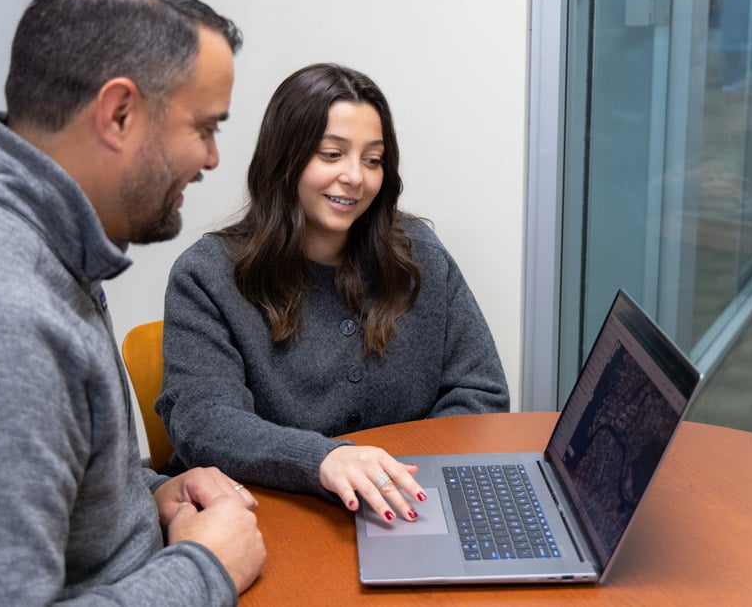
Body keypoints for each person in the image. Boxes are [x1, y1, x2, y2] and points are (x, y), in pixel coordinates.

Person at [0, 0, 265, 604]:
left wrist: (154, 491)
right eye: (205, 127)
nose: (212, 158)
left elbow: (55, 485)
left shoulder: (43, 245)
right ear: (120, 114)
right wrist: (205, 568)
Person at [156, 63, 510, 526]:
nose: (355, 178)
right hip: (263, 518)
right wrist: (323, 460)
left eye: (372, 159)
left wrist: (389, 475)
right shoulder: (207, 275)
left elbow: (479, 391)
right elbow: (205, 421)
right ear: (285, 159)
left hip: (398, 512)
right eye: (331, 154)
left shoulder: (420, 256)